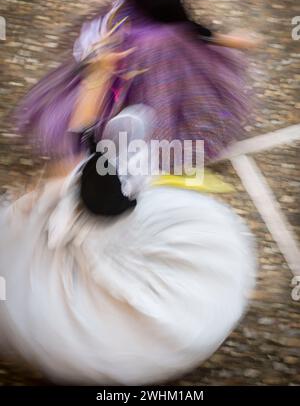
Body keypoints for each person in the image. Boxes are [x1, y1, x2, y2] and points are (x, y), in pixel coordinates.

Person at [0, 105, 255, 385]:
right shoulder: (131, 167)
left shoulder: (90, 184)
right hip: (127, 231)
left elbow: (50, 201)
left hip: (99, 234)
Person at [15, 0, 259, 168]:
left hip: (133, 27)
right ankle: (138, 148)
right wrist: (233, 41)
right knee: (158, 97)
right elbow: (189, 27)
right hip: (158, 46)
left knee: (120, 91)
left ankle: (103, 140)